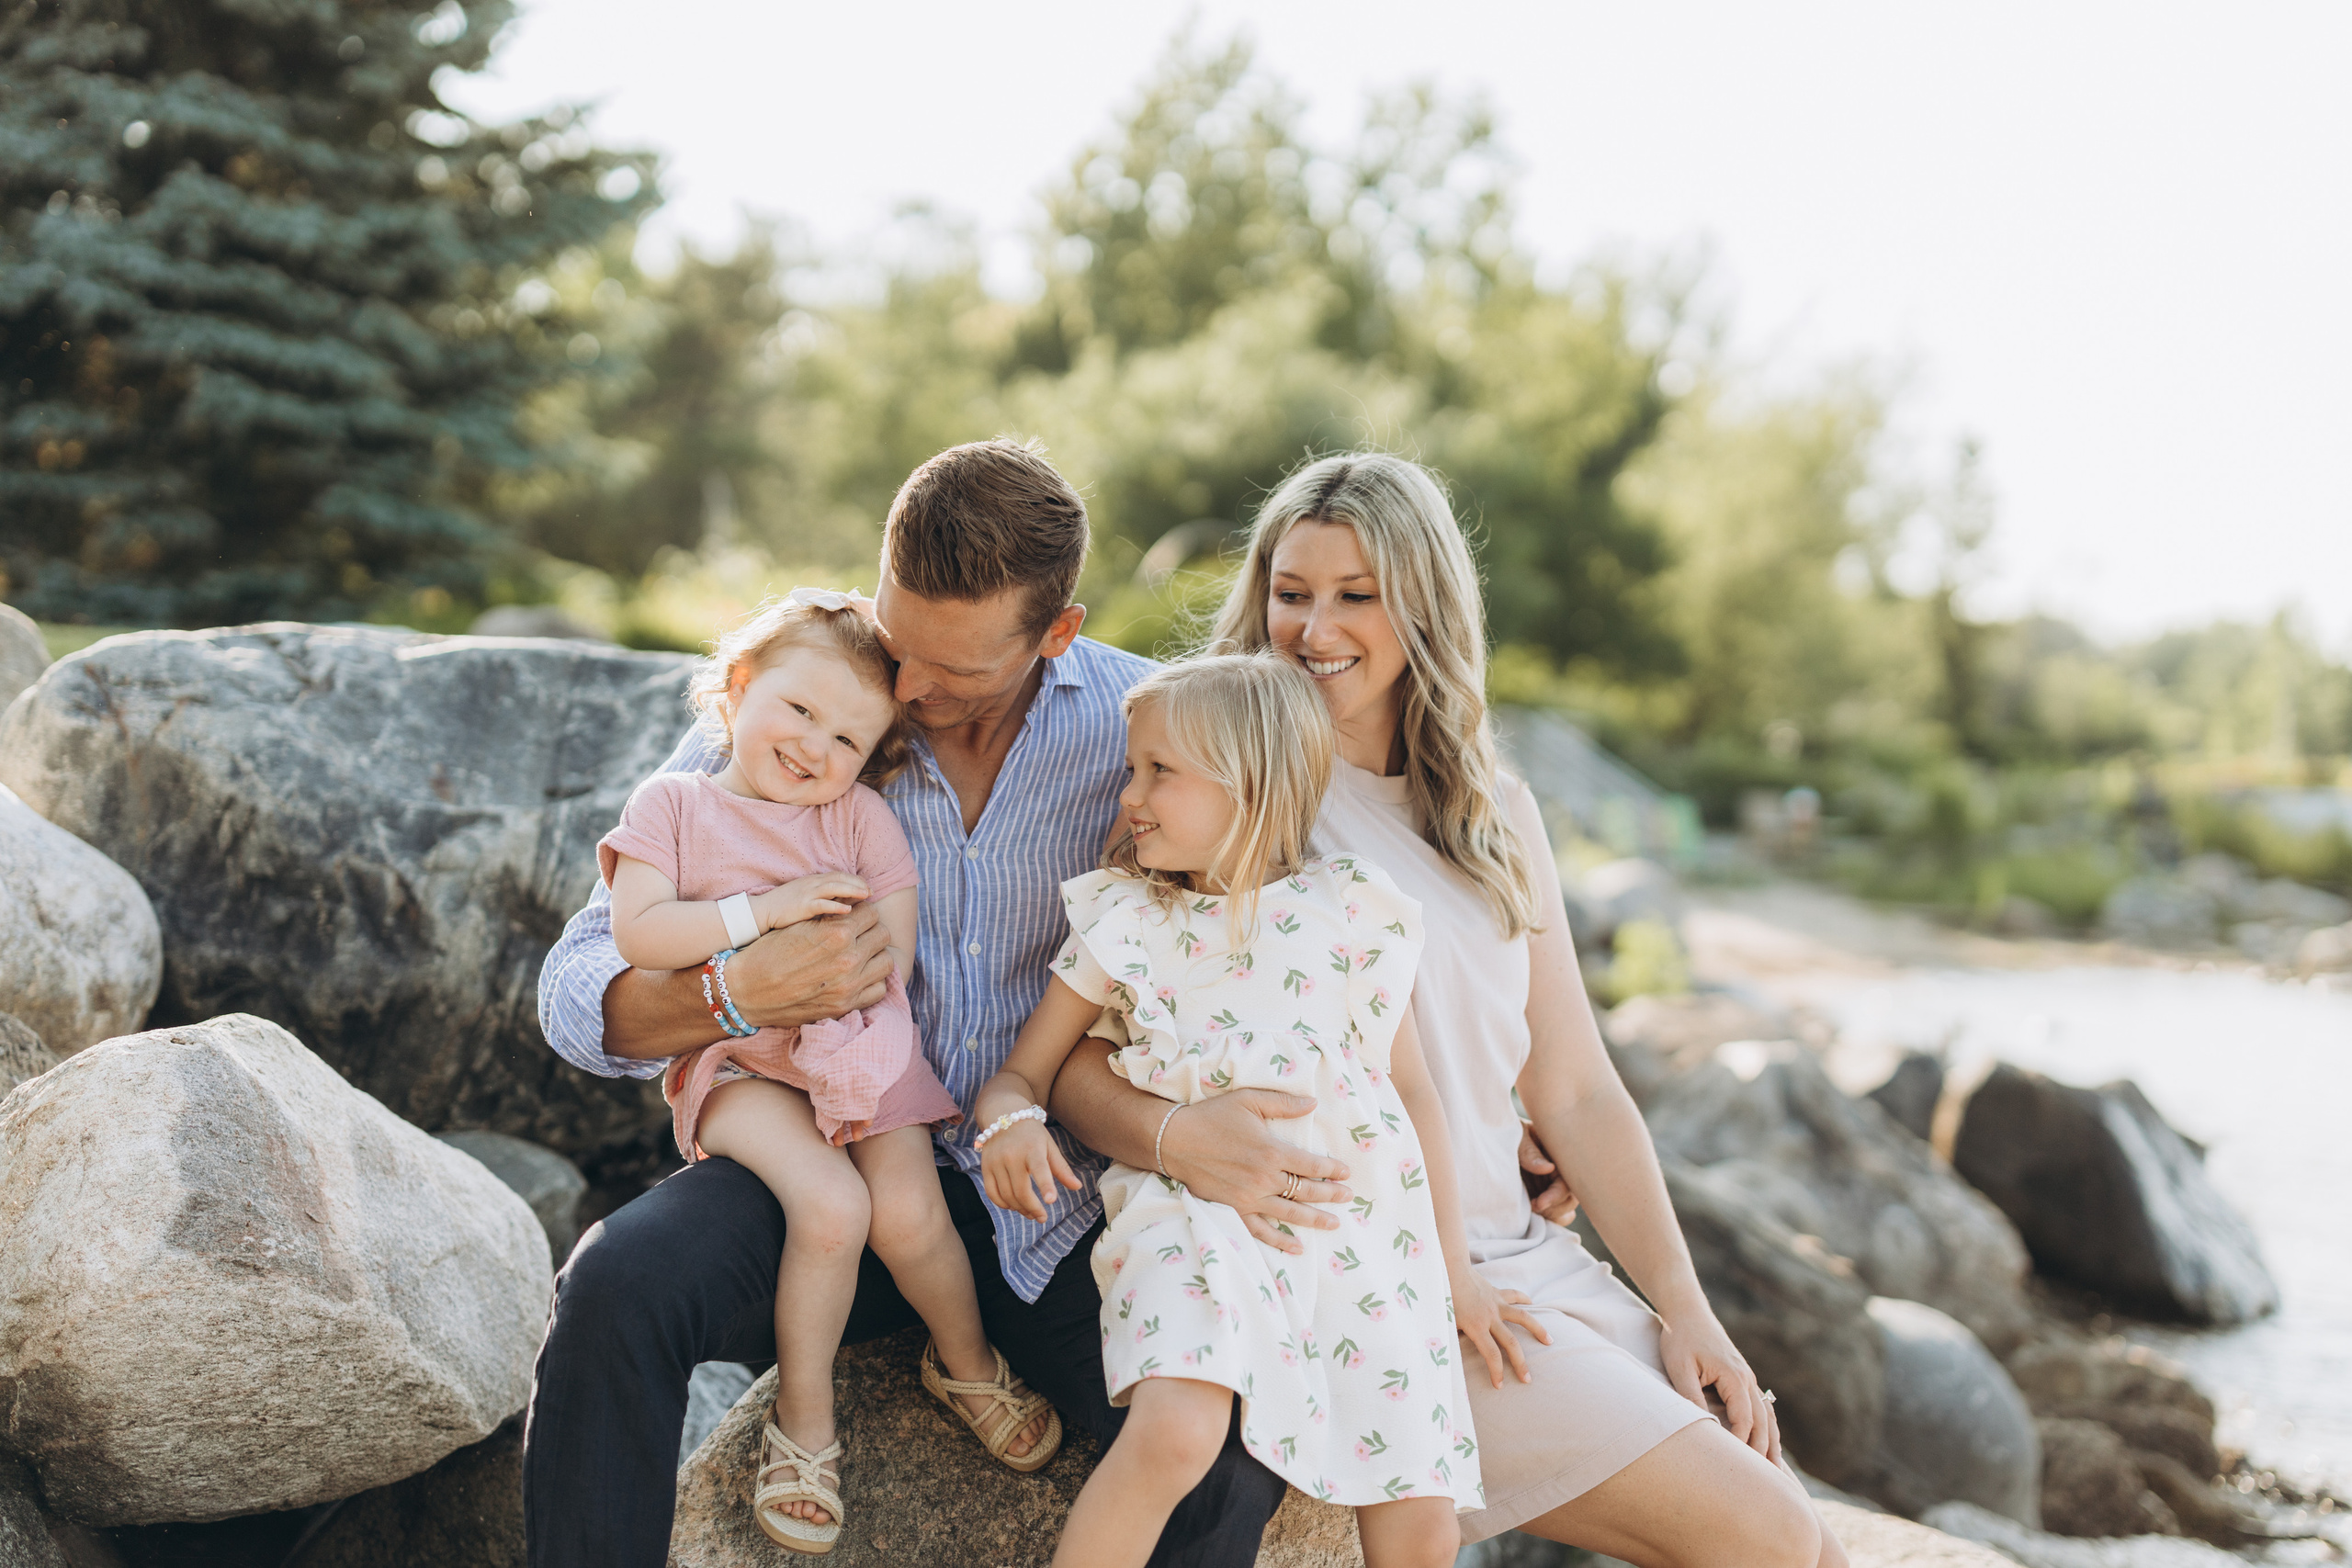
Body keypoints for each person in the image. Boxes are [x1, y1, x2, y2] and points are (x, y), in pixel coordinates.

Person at [1046, 453, 1851, 1568]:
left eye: (1356, 595)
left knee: (1809, 1539)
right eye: (1291, 593)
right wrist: (1182, 1141)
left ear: (1423, 605)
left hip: (1525, 1255)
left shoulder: (1494, 812)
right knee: (1765, 1539)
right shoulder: (1227, 794)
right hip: (1379, 1277)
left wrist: (1685, 1307)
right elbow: (1082, 1054)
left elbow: (1572, 1086)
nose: (1313, 628)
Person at [526, 439, 1297, 1568]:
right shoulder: (810, 702)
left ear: (1058, 634)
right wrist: (732, 990)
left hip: (1057, 1201)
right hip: (835, 1159)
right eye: (899, 647)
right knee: (614, 1286)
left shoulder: (1152, 727)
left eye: (956, 672)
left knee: (1233, 1459)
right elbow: (573, 991)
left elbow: (1281, 929)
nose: (908, 696)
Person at [977, 654, 1504, 1568]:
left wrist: (1454, 1269)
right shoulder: (1126, 922)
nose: (1129, 795)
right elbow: (1020, 1076)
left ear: (1250, 783)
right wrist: (1010, 1124)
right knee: (1177, 1431)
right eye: (1130, 770)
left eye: (1159, 772)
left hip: (1359, 1233)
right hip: (1196, 1221)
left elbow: (1409, 1091)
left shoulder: (1350, 913)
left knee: (1422, 1524)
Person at [596, 587, 1057, 1553]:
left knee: (907, 1213)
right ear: (737, 687)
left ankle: (965, 1361)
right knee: (833, 1210)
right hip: (741, 1065)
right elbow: (640, 933)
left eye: (848, 739)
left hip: (855, 1046)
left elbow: (885, 948)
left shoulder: (856, 820)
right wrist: (767, 915)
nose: (815, 748)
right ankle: (805, 1423)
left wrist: (845, 1014)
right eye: (800, 711)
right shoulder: (674, 805)